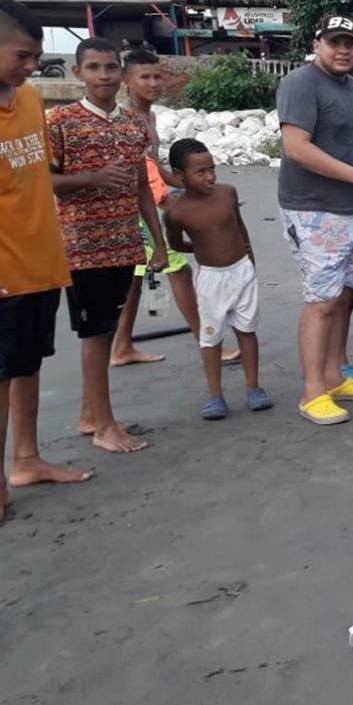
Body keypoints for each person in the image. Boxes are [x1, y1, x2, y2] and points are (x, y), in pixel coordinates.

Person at [48, 37, 169, 453]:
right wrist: (91, 179)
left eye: (110, 68)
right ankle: (104, 425)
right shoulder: (60, 121)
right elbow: (45, 181)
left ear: (121, 74)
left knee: (106, 330)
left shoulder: (133, 125)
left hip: (124, 242)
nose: (103, 76)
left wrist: (158, 243)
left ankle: (91, 414)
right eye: (94, 67)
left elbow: (141, 188)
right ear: (78, 72)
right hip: (83, 246)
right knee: (95, 336)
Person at [0, 0, 94, 520]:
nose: (31, 65)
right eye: (21, 54)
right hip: (3, 268)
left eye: (36, 57)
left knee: (27, 365)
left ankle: (26, 458)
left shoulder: (32, 102)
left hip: (41, 259)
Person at [276, 14, 353, 426]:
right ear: (317, 44)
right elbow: (296, 148)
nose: (343, 50)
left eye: (350, 43)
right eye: (335, 42)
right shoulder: (301, 84)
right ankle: (312, 391)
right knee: (320, 301)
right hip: (313, 207)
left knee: (345, 296)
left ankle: (335, 376)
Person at [112, 49, 240, 368]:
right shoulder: (126, 118)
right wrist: (167, 200)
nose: (154, 83)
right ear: (127, 80)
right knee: (178, 271)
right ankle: (208, 343)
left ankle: (121, 347)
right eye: (145, 77)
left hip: (140, 205)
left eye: (158, 76)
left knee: (136, 278)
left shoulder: (149, 116)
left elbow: (154, 165)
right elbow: (143, 173)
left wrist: (187, 188)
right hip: (136, 208)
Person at [164, 139, 272, 419]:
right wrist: (200, 248)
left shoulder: (227, 193)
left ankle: (254, 388)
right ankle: (215, 395)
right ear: (179, 175)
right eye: (200, 172)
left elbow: (240, 226)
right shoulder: (177, 213)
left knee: (247, 330)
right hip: (211, 278)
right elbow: (176, 245)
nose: (210, 176)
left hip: (242, 271)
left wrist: (250, 258)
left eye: (212, 169)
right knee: (210, 337)